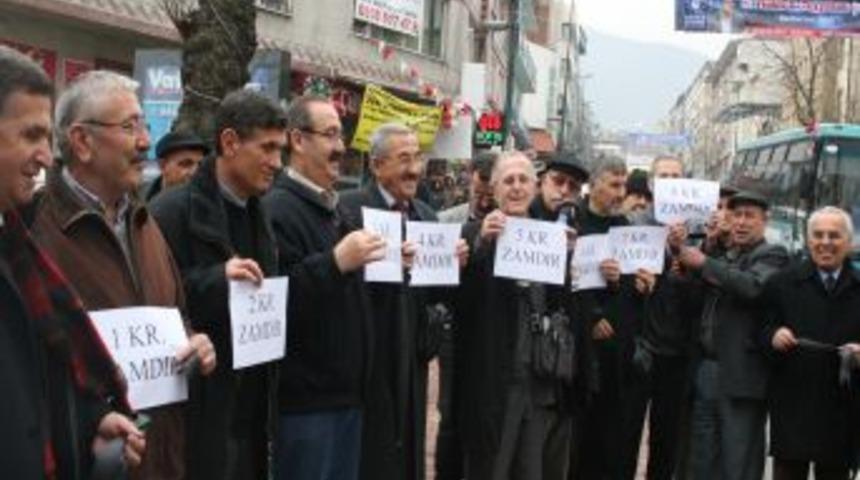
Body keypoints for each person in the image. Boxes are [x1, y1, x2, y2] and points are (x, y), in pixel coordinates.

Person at [32, 70, 217, 479]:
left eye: (145, 126)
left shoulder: (145, 222)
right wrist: (90, 422)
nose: (145, 142)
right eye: (130, 126)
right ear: (82, 142)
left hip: (163, 456)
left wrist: (193, 343)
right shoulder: (35, 232)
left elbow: (177, 315)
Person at [0, 45, 144, 479]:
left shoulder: (16, 245)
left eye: (46, 137)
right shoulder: (34, 231)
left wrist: (88, 421)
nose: (46, 155)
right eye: (30, 135)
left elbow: (28, 384)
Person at [150, 89, 287, 480]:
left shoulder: (261, 213)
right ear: (229, 142)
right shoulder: (169, 213)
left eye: (281, 150)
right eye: (268, 148)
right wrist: (216, 280)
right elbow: (153, 303)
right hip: (198, 417)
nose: (277, 163)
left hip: (251, 414)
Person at [340, 122, 467, 480]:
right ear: (377, 165)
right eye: (403, 159)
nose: (414, 169)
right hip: (367, 358)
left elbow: (438, 296)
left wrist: (454, 264)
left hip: (412, 358)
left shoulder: (426, 216)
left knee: (406, 453)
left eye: (418, 158)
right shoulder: (350, 211)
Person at [263, 95, 381, 480]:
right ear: (297, 140)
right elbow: (273, 302)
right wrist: (335, 263)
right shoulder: (277, 209)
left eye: (341, 136)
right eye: (330, 135)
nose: (340, 147)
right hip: (305, 408)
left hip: (346, 400)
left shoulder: (336, 209)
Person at [456, 151, 589, 480]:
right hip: (491, 384)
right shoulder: (473, 233)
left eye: (523, 180)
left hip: (537, 380)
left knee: (530, 470)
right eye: (508, 181)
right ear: (495, 188)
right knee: (489, 468)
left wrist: (568, 263)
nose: (516, 188)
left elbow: (563, 307)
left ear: (535, 185)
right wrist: (478, 246)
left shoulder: (550, 237)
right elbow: (455, 301)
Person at [679, 191, 789, 480]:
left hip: (742, 374)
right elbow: (691, 295)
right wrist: (710, 247)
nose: (740, 222)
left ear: (765, 222)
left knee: (738, 462)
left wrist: (704, 262)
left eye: (749, 216)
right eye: (735, 215)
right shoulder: (723, 253)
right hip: (707, 368)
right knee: (702, 459)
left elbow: (751, 286)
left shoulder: (772, 254)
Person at [763, 206, 860, 480]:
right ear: (808, 240)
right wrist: (773, 336)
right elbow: (759, 330)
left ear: (849, 242)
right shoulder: (783, 283)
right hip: (794, 407)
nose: (825, 242)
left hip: (842, 412)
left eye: (834, 235)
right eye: (818, 235)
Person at [572, 159, 654, 480]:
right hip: (580, 351)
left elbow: (637, 290)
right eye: (614, 185)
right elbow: (565, 278)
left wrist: (642, 285)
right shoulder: (573, 223)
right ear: (593, 185)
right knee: (579, 437)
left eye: (624, 186)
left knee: (613, 438)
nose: (621, 194)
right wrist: (591, 317)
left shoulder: (628, 230)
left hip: (617, 354)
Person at [435, 149, 498, 480]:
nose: (485, 200)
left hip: (486, 329)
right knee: (450, 411)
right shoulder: (448, 220)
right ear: (471, 180)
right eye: (480, 191)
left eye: (491, 193)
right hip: (451, 328)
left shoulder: (507, 223)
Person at [143, 131, 208, 201]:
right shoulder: (138, 198)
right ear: (162, 166)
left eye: (200, 165)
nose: (195, 172)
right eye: (186, 164)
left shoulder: (211, 202)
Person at [529, 150, 589, 224]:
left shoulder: (580, 224)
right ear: (543, 180)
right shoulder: (521, 214)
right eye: (558, 181)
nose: (564, 191)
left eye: (573, 186)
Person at [438, 150, 498, 224]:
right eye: (478, 194)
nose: (484, 204)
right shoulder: (446, 221)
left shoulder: (513, 222)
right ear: (469, 183)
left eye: (490, 196)